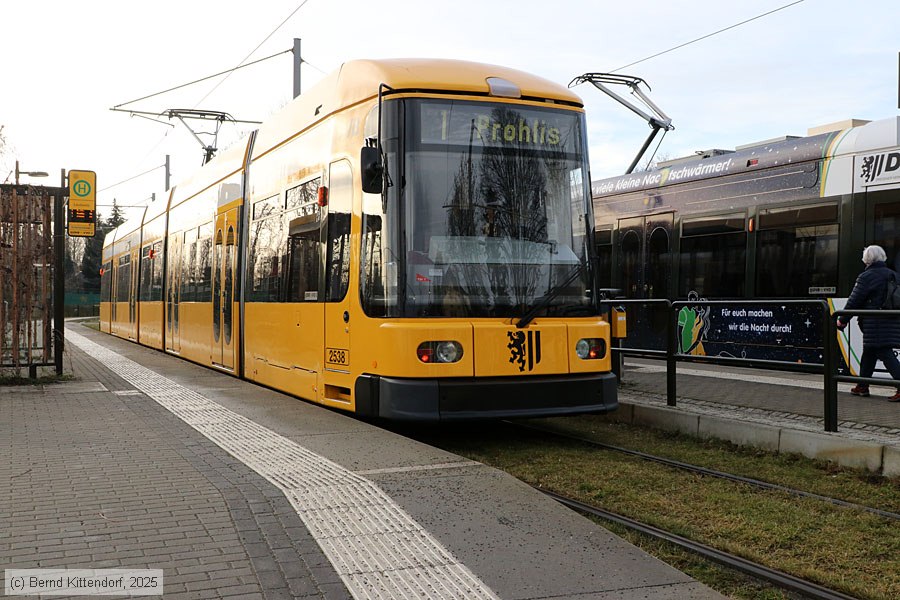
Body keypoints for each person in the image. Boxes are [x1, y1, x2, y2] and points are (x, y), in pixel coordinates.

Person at [837, 245, 900, 401]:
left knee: (884, 352)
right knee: (869, 352)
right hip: (892, 320)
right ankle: (862, 386)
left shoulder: (867, 276)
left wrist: (842, 320)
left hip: (875, 323)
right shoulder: (894, 275)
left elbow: (854, 301)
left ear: (867, 259)